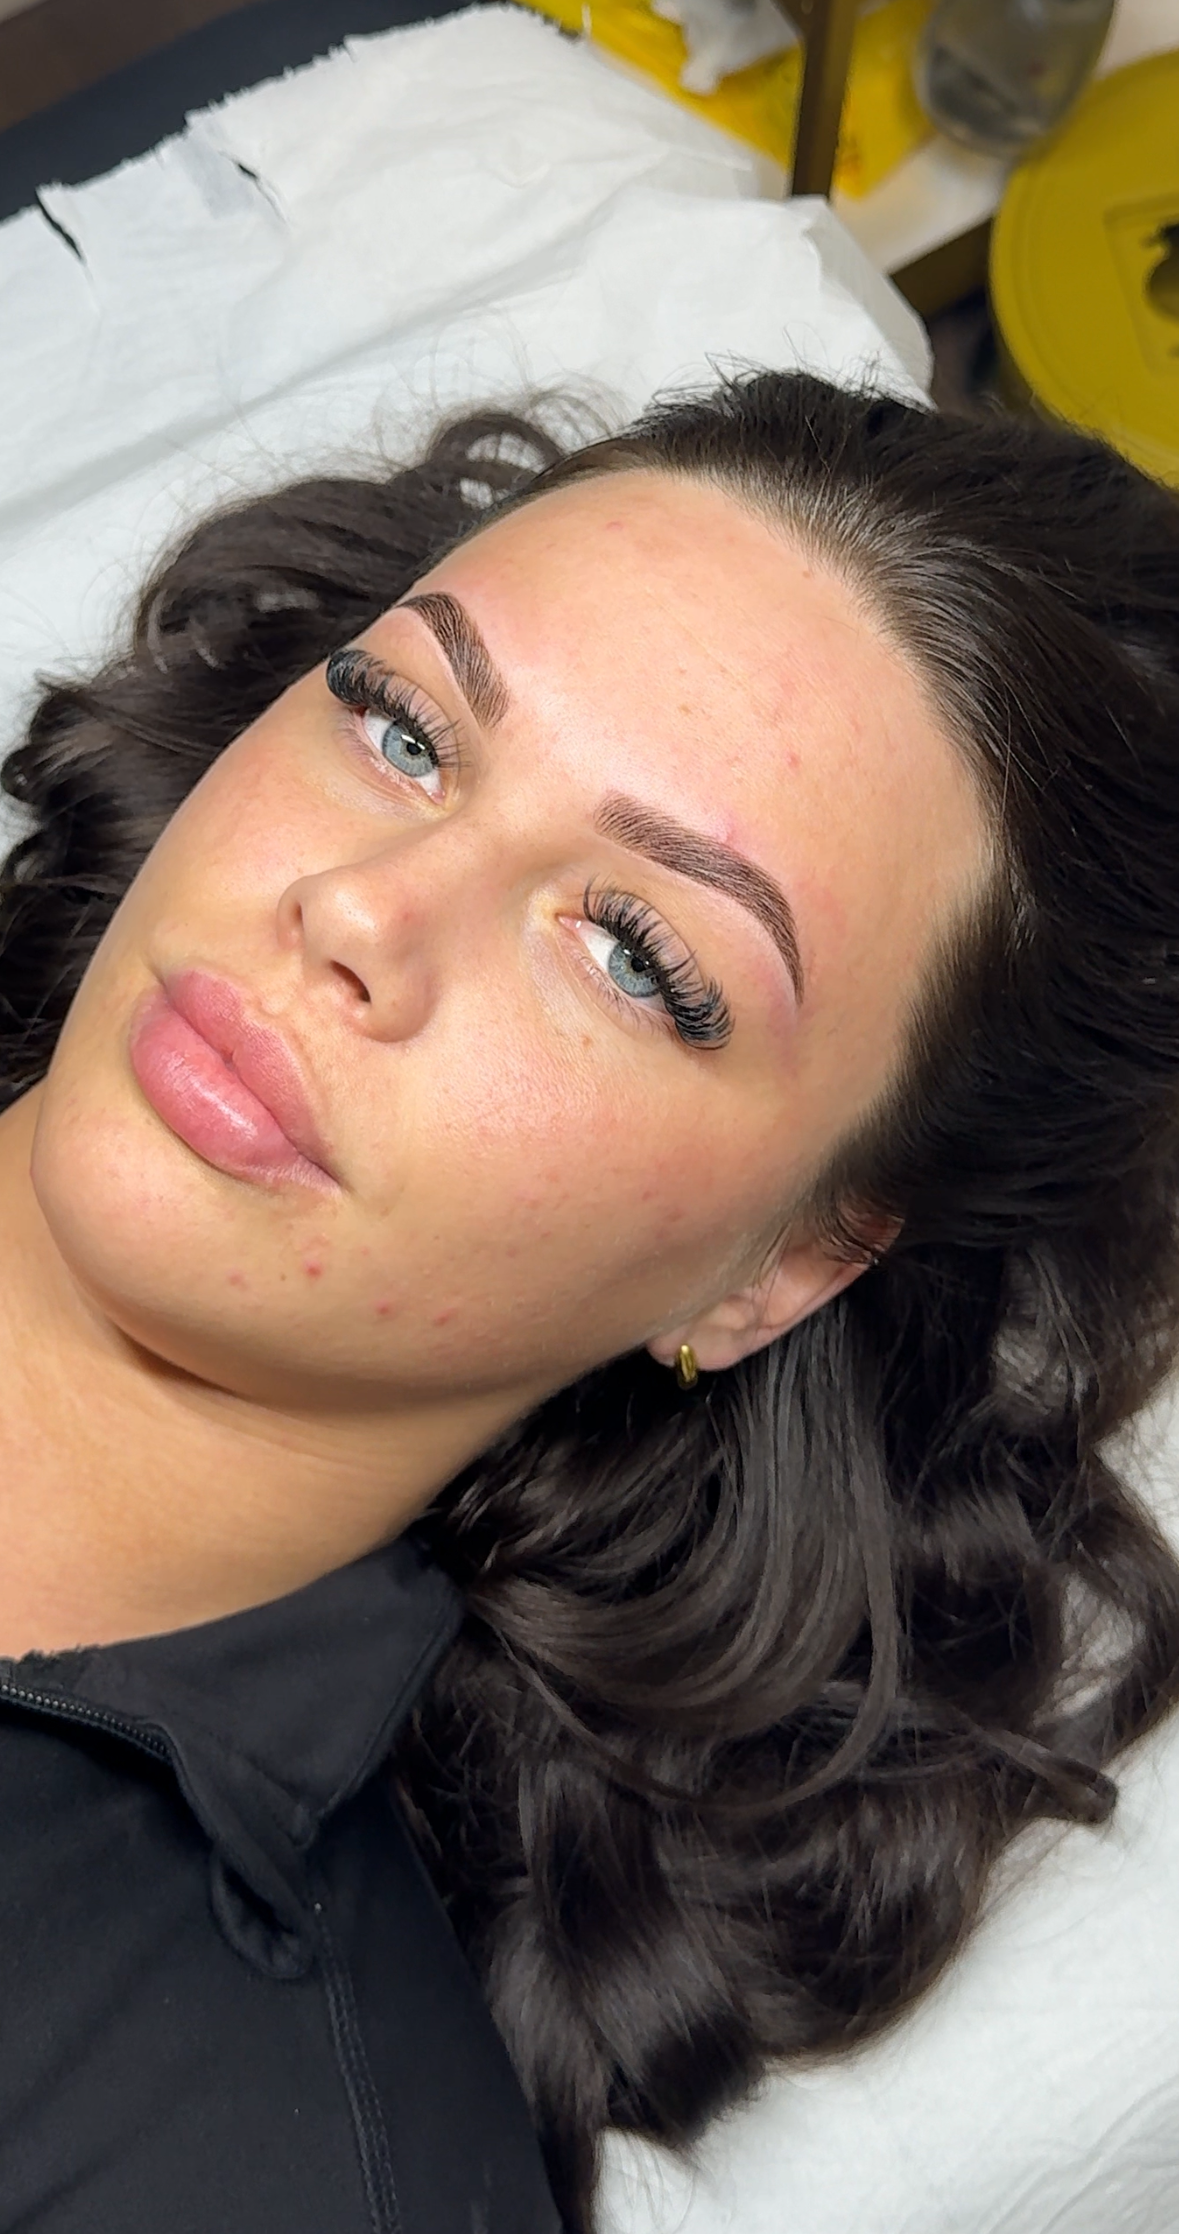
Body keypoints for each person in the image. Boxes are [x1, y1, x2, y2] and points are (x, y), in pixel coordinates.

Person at [1, 367, 1178, 2234]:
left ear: (777, 1265)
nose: (365, 912)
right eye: (403, 727)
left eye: (637, 953)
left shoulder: (252, 2166)